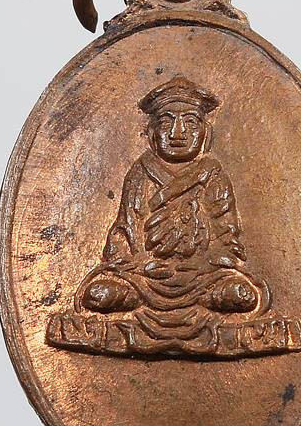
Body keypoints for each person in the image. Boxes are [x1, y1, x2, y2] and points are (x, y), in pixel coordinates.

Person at [73, 76, 270, 341]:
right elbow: (125, 232)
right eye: (167, 123)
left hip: (202, 278)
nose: (178, 133)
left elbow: (227, 238)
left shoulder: (212, 176)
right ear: (151, 132)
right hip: (146, 280)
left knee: (240, 295)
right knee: (100, 294)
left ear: (205, 132)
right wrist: (143, 266)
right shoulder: (140, 174)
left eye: (190, 123)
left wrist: (205, 264)